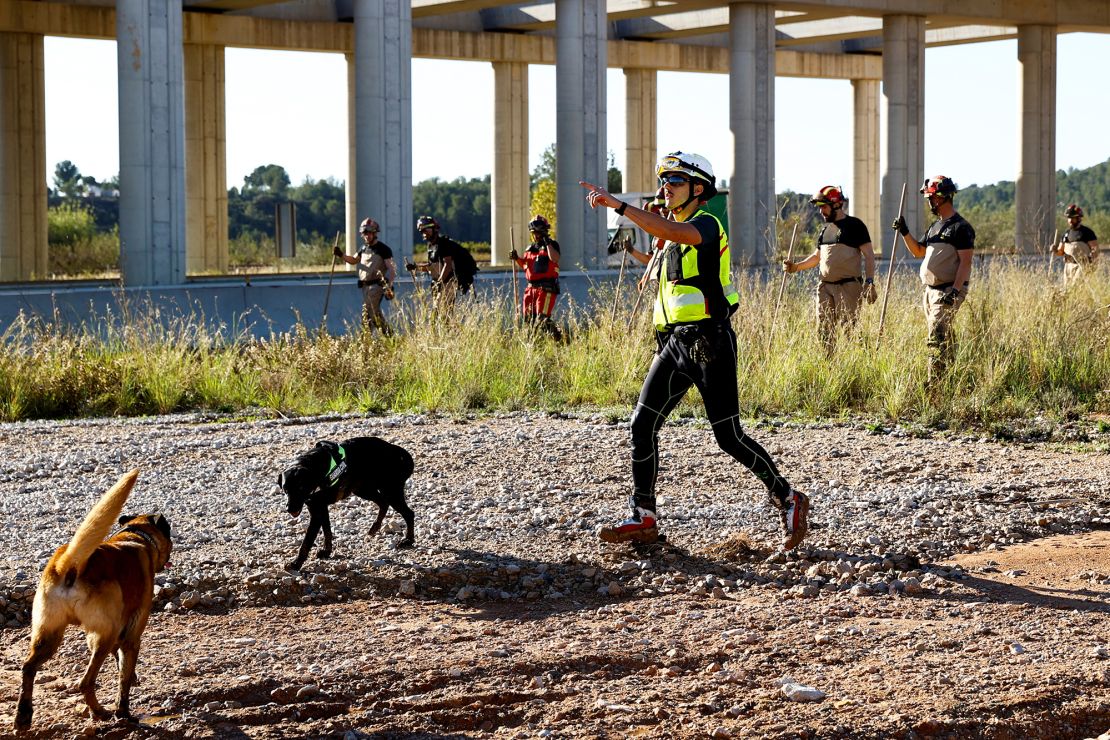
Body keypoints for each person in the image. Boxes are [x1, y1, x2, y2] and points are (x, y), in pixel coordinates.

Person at [580, 152, 810, 552]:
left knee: (728, 436)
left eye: (674, 181)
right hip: (673, 344)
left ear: (698, 189)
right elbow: (661, 261)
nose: (664, 187)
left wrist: (619, 206)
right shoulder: (668, 234)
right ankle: (644, 517)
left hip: (710, 341)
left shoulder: (706, 223)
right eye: (663, 181)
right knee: (641, 425)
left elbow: (677, 235)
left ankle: (788, 498)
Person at [891, 175, 975, 380]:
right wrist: (904, 232)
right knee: (944, 334)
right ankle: (954, 377)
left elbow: (965, 263)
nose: (929, 202)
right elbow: (918, 252)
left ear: (941, 198)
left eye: (931, 197)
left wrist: (954, 291)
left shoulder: (961, 228)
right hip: (930, 291)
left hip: (947, 290)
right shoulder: (935, 227)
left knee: (936, 336)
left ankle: (934, 383)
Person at [782, 186, 877, 350]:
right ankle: (828, 367)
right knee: (824, 331)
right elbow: (817, 257)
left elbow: (869, 255)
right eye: (819, 207)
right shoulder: (825, 230)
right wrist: (795, 267)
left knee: (850, 331)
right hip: (825, 287)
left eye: (824, 206)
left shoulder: (855, 225)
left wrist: (869, 282)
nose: (821, 211)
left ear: (836, 205)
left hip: (849, 287)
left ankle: (854, 366)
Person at [334, 217, 395, 334]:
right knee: (369, 316)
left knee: (371, 313)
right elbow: (353, 260)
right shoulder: (363, 248)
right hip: (365, 287)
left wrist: (389, 286)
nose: (366, 236)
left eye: (369, 233)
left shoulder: (383, 249)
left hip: (377, 286)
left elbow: (391, 269)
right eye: (364, 233)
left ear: (375, 233)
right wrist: (341, 254)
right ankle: (371, 341)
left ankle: (388, 338)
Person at [510, 215, 563, 338]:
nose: (535, 236)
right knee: (529, 319)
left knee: (542, 318)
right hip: (531, 289)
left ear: (544, 231)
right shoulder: (530, 248)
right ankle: (533, 345)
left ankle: (560, 341)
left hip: (546, 288)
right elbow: (526, 267)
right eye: (533, 233)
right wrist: (516, 258)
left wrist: (547, 242)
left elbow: (554, 258)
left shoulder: (553, 245)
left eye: (537, 233)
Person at [406, 216, 478, 305]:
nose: (424, 233)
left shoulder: (444, 244)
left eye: (426, 230)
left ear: (434, 229)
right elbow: (432, 267)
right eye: (422, 231)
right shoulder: (432, 247)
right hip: (440, 284)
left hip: (448, 283)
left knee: (442, 313)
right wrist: (415, 267)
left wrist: (439, 282)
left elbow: (447, 265)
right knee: (438, 314)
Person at [1054, 204, 1099, 287]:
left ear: (1078, 218)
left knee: (1076, 288)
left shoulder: (1087, 233)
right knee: (1067, 290)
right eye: (1069, 218)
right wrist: (1055, 250)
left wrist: (1093, 266)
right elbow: (1060, 252)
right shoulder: (1066, 234)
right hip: (1068, 267)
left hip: (1082, 266)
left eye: (1072, 218)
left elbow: (1095, 250)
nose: (1070, 220)